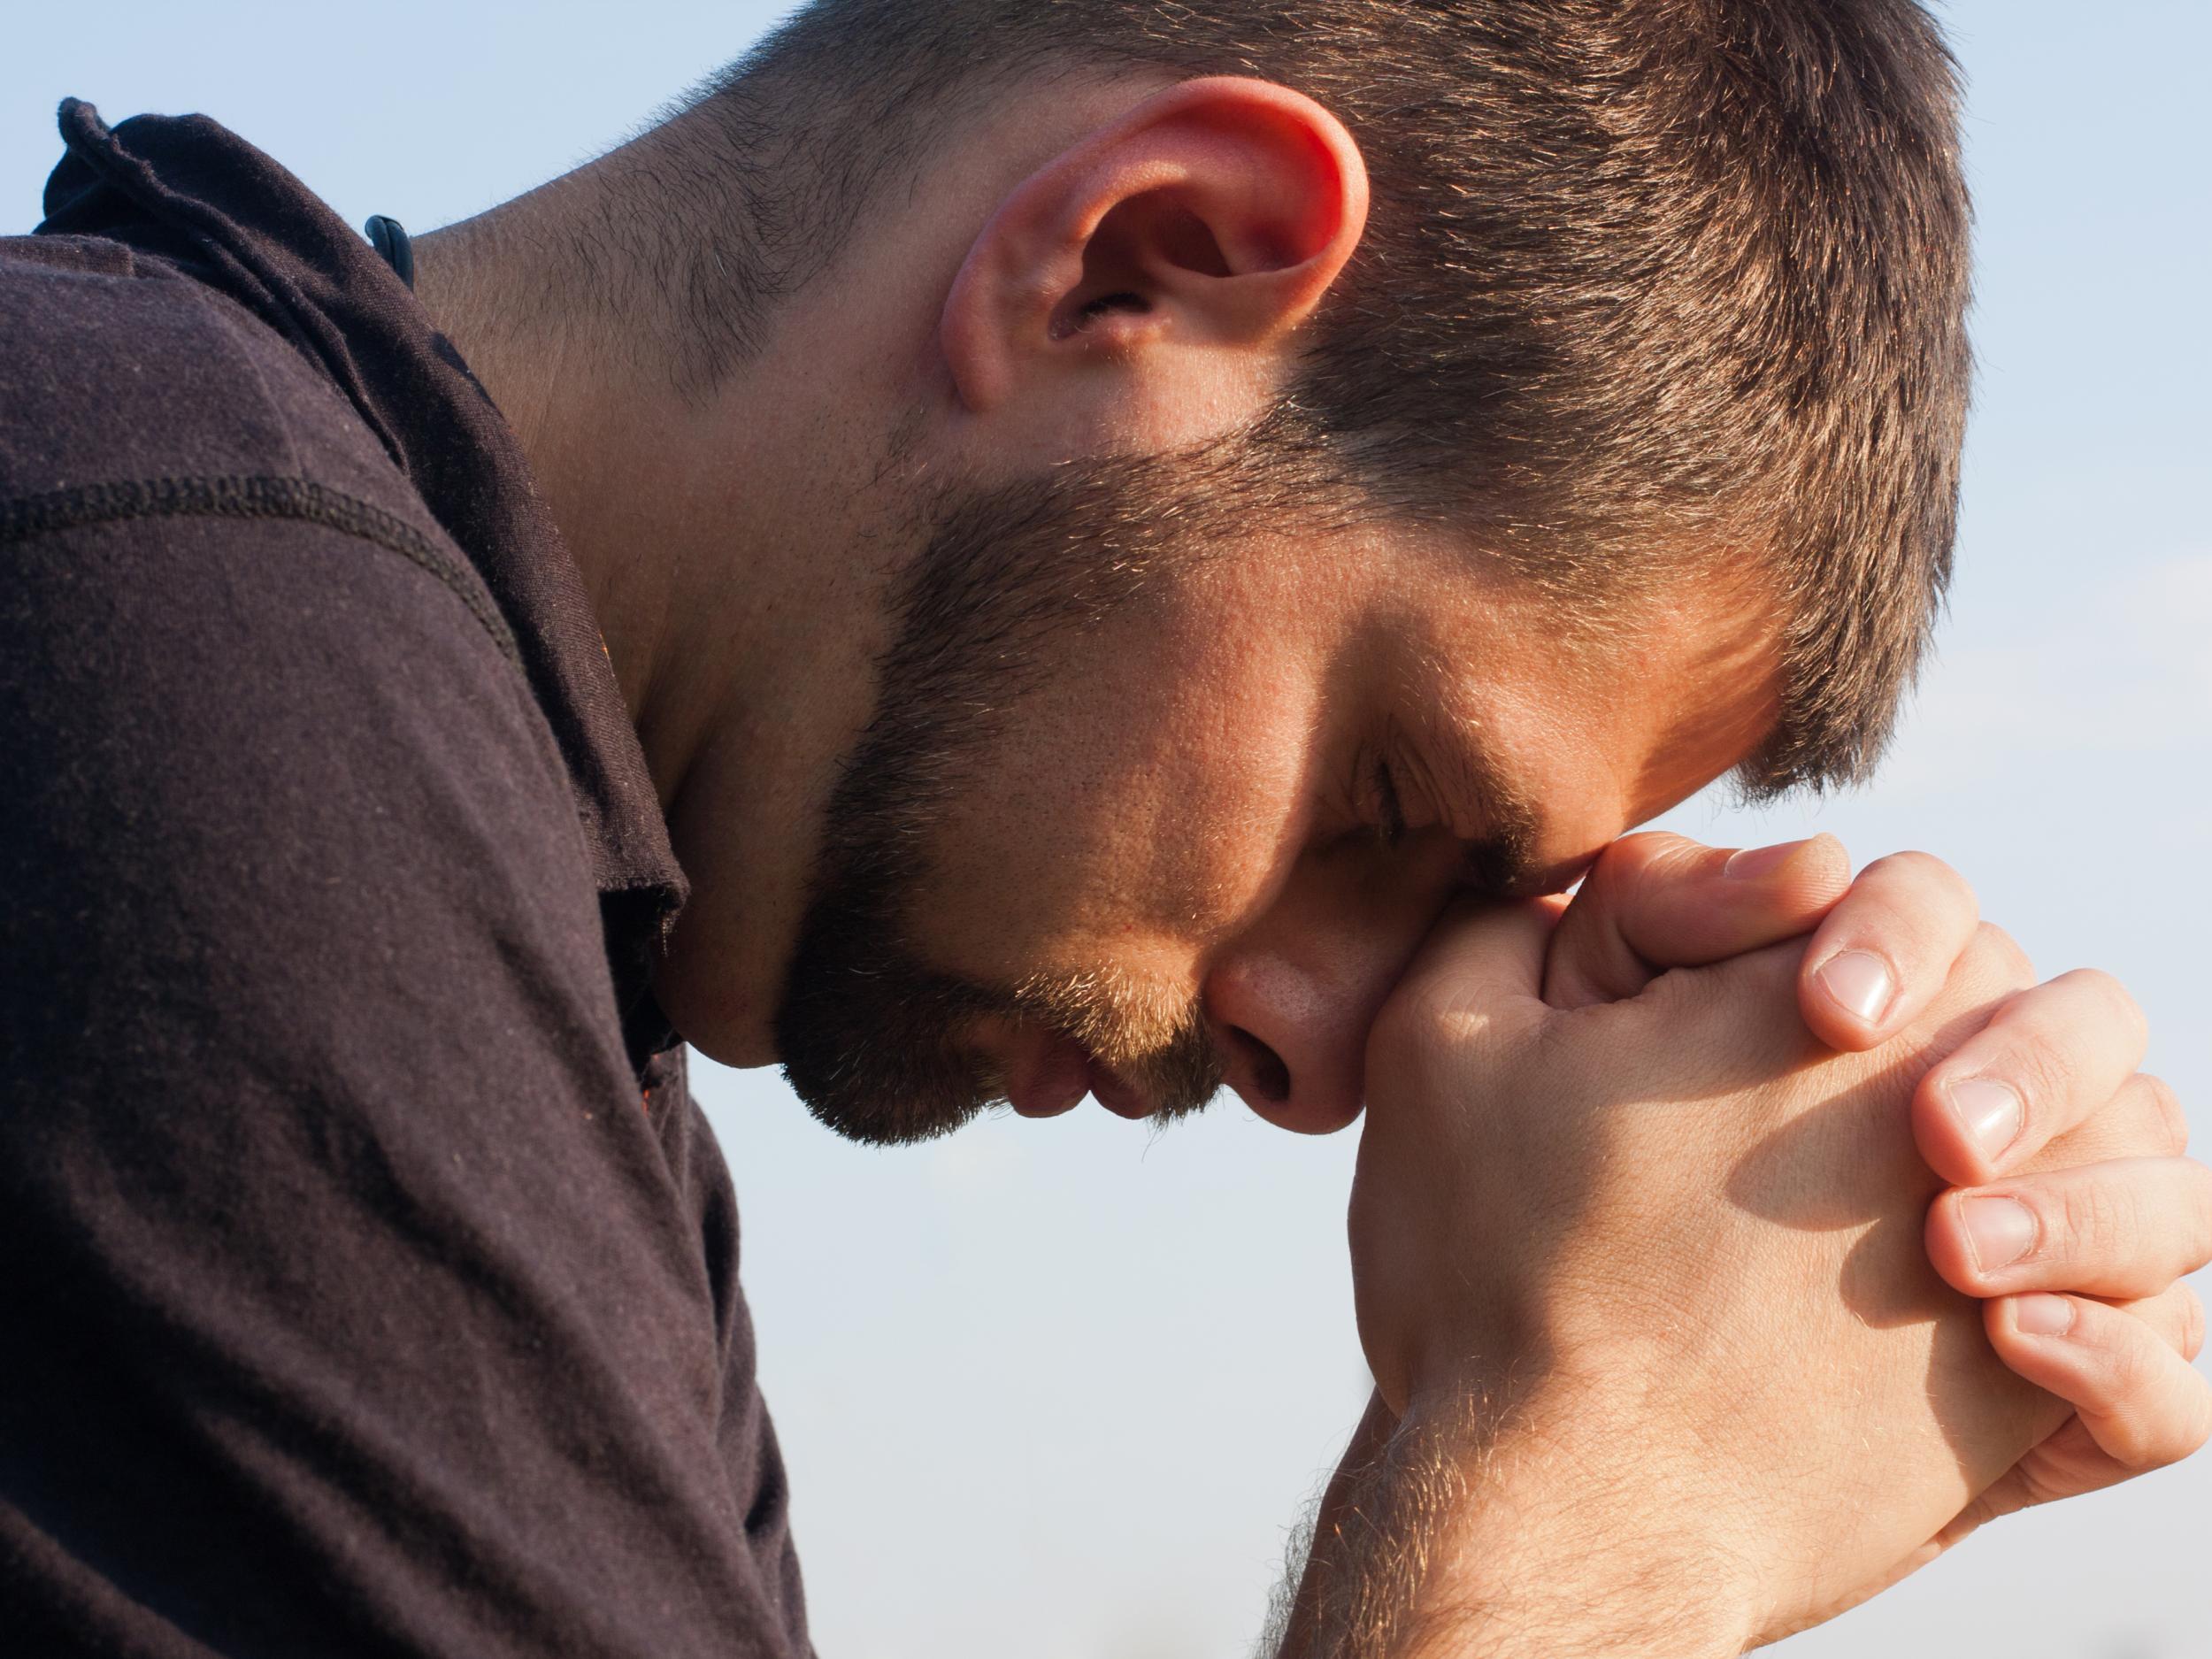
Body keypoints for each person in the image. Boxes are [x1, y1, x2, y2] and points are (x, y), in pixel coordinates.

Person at [1, 1, 2203, 1655]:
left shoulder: (540, 948)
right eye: (1385, 799)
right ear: (1139, 259)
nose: (1319, 1064)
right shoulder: (167, 619)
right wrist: (1597, 1482)